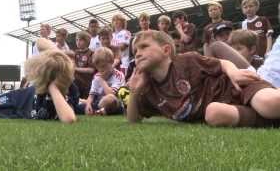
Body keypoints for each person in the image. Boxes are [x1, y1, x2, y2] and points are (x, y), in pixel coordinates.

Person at [127, 30, 280, 128]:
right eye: (135, 51)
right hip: (221, 107)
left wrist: (234, 72)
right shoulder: (148, 89)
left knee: (269, 104)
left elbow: (221, 63)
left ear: (166, 50)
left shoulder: (186, 60)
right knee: (213, 114)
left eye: (144, 46)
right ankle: (271, 121)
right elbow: (133, 120)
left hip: (237, 87)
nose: (138, 54)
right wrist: (134, 92)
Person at [0, 51, 77, 123]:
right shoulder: (33, 91)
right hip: (22, 96)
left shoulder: (68, 91)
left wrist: (53, 87)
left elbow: (69, 119)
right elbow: (41, 42)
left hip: (22, 109)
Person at [85, 47, 125, 115]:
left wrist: (102, 80)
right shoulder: (96, 76)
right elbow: (91, 96)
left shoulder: (118, 75)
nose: (101, 70)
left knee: (110, 99)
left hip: (115, 103)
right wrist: (88, 105)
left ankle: (100, 110)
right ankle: (98, 110)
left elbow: (111, 94)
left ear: (111, 62)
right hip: (98, 102)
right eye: (98, 67)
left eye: (103, 66)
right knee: (81, 106)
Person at [74, 31, 95, 99]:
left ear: (86, 41)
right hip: (76, 84)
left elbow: (91, 70)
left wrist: (76, 69)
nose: (78, 42)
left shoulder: (91, 53)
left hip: (87, 85)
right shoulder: (75, 53)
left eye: (80, 40)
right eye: (77, 40)